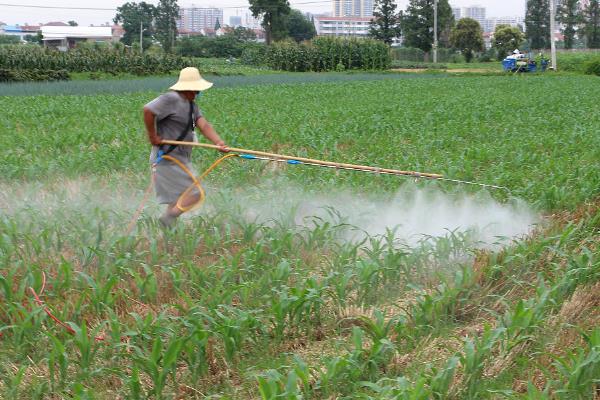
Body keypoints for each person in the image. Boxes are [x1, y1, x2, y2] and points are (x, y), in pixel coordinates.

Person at [143, 67, 228, 227]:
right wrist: (152, 136)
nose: (197, 93)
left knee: (177, 199)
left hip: (180, 159)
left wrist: (219, 142)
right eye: (196, 89)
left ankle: (167, 231)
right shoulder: (171, 99)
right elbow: (148, 110)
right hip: (167, 159)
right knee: (196, 193)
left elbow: (203, 125)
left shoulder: (191, 106)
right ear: (187, 87)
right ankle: (169, 219)